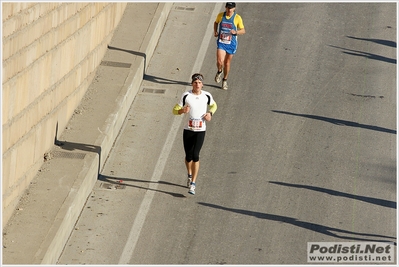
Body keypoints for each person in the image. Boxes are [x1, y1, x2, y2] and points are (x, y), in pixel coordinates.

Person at [172, 73, 217, 195]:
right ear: (192, 84)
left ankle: (193, 184)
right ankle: (189, 174)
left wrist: (210, 114)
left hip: (201, 130)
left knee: (196, 155)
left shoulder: (207, 96)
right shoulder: (186, 95)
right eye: (195, 82)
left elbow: (214, 105)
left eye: (199, 83)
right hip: (188, 130)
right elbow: (174, 110)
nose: (197, 85)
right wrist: (182, 110)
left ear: (202, 85)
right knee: (188, 156)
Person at [214, 2, 245, 90]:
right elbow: (216, 23)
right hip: (222, 42)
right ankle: (219, 71)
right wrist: (215, 31)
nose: (229, 10)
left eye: (231, 8)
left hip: (231, 44)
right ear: (225, 8)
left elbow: (243, 30)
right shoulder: (221, 15)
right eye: (227, 8)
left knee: (227, 63)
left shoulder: (237, 18)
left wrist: (236, 32)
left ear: (234, 8)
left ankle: (225, 80)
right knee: (220, 61)